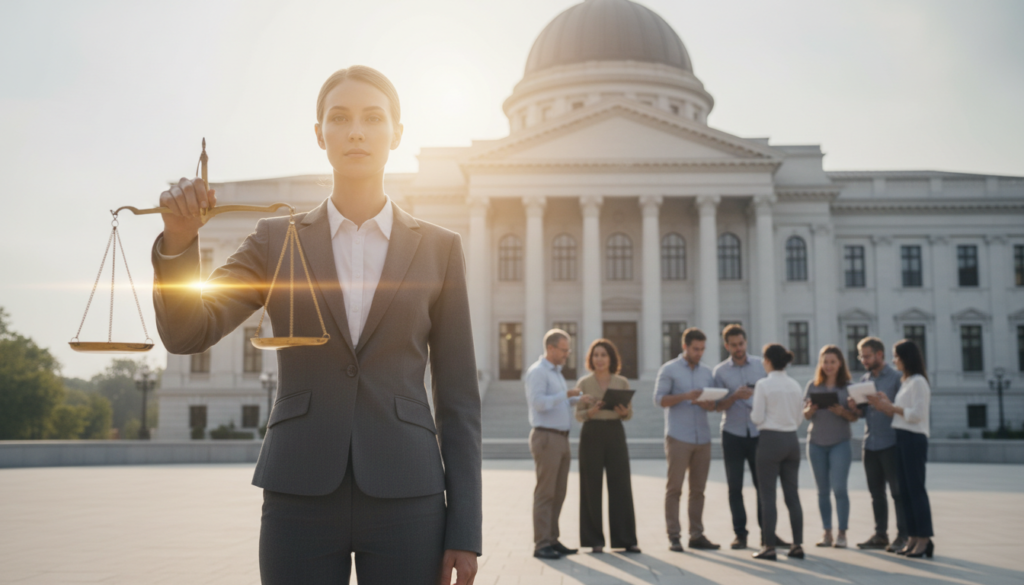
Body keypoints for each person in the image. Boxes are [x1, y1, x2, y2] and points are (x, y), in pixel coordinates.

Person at [152, 66, 481, 584]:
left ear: (396, 133)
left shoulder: (440, 248)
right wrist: (177, 242)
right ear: (319, 134)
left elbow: (459, 397)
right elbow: (188, 332)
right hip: (298, 492)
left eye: (373, 118)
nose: (356, 131)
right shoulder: (274, 239)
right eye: (340, 117)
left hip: (408, 495)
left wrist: (465, 528)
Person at [713, 324, 787, 549]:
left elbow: (774, 395)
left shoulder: (761, 366)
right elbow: (717, 406)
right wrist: (734, 397)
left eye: (741, 344)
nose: (738, 348)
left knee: (763, 486)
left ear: (746, 342)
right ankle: (741, 535)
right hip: (732, 434)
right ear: (726, 346)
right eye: (734, 345)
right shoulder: (720, 372)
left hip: (758, 434)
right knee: (734, 487)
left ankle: (768, 534)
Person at [653, 327, 720, 553]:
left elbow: (713, 406)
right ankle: (674, 536)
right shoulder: (669, 369)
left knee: (698, 490)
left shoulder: (707, 372)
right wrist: (684, 396)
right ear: (685, 347)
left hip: (703, 437)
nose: (699, 353)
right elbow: (659, 400)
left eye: (702, 349)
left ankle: (697, 535)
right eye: (695, 349)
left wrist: (707, 403)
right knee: (674, 489)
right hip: (678, 437)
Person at [575, 339, 640, 554]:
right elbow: (579, 415)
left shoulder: (621, 382)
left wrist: (623, 412)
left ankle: (626, 539)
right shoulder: (584, 383)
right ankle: (594, 540)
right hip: (591, 433)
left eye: (604, 355)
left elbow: (629, 414)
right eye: (596, 355)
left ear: (611, 358)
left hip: (615, 432)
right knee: (590, 486)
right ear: (591, 359)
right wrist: (591, 412)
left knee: (621, 485)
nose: (599, 359)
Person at [526, 329, 586, 560]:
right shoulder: (538, 372)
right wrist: (566, 394)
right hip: (546, 437)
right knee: (545, 492)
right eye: (564, 349)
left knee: (559, 492)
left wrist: (578, 399)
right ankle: (541, 544)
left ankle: (552, 538)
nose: (567, 354)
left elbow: (559, 401)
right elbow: (538, 403)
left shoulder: (556, 373)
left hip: (561, 438)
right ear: (551, 348)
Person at [871, 339, 934, 559]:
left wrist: (893, 407)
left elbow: (917, 414)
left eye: (896, 356)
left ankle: (924, 539)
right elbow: (902, 412)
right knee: (905, 491)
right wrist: (886, 404)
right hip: (902, 437)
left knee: (916, 491)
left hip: (914, 439)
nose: (893, 360)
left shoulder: (919, 382)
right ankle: (913, 537)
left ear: (906, 358)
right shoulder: (906, 382)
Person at [849, 337, 908, 552]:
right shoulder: (864, 380)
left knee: (897, 492)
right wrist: (855, 407)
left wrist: (886, 405)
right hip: (870, 443)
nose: (863, 360)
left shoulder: (896, 379)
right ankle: (880, 535)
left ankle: (903, 535)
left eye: (866, 356)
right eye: (861, 356)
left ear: (879, 355)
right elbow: (864, 413)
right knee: (876, 494)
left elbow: (902, 410)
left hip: (891, 443)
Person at [750, 343, 805, 561]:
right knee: (792, 495)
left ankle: (769, 546)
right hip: (792, 440)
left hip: (770, 440)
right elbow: (800, 417)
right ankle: (798, 544)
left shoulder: (763, 384)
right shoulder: (794, 385)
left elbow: (756, 417)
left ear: (769, 360)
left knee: (768, 496)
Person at [803, 345, 858, 548]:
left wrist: (841, 412)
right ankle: (827, 532)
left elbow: (854, 417)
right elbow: (805, 416)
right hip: (816, 443)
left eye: (832, 362)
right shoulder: (812, 386)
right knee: (822, 491)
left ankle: (842, 533)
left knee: (840, 489)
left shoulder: (848, 387)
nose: (828, 366)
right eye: (825, 362)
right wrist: (810, 409)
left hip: (840, 443)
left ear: (840, 363)